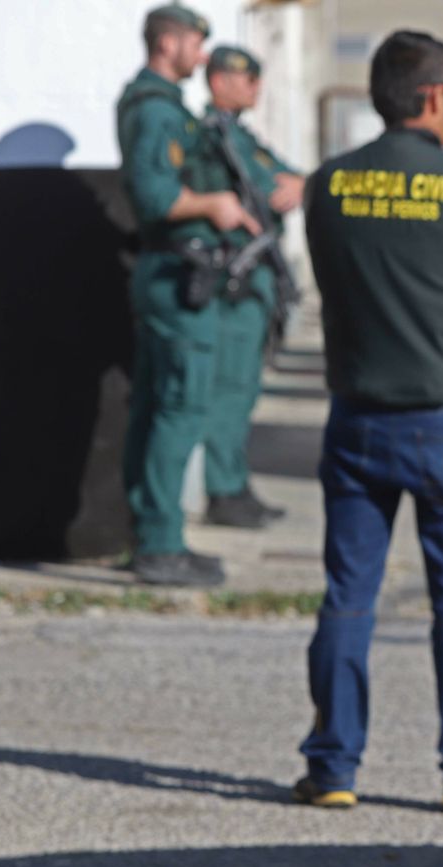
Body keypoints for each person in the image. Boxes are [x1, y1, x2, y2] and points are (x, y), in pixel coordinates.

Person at [295, 30, 443, 814]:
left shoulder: (326, 185)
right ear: (435, 97)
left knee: (347, 600)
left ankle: (333, 769)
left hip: (355, 423)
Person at [116, 4, 260, 586]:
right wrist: (213, 206)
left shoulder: (161, 105)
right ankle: (161, 544)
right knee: (179, 408)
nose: (202, 58)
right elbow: (154, 198)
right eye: (196, 45)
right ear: (167, 42)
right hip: (178, 278)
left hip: (170, 275)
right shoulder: (154, 111)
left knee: (156, 407)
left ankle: (153, 533)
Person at [200, 45, 301, 529]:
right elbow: (266, 187)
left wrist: (299, 185)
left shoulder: (242, 135)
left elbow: (290, 178)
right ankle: (224, 489)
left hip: (256, 277)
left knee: (245, 386)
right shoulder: (214, 134)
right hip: (232, 280)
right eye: (247, 79)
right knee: (231, 387)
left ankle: (234, 481)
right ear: (220, 81)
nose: (256, 88)